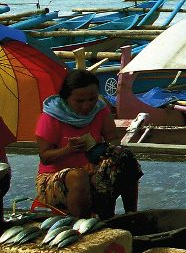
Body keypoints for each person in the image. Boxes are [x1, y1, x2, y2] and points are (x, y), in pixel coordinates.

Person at [35, 70, 143, 218]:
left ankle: (131, 215)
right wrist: (68, 150)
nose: (87, 106)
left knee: (126, 158)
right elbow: (45, 157)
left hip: (91, 167)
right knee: (79, 175)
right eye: (79, 101)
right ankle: (83, 225)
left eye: (92, 99)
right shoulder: (50, 117)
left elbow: (113, 138)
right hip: (54, 176)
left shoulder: (100, 109)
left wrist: (112, 149)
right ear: (67, 98)